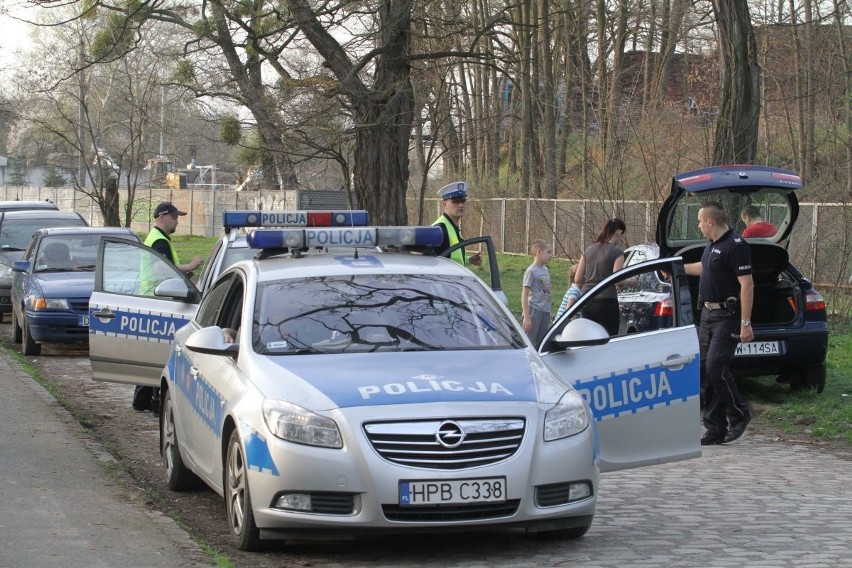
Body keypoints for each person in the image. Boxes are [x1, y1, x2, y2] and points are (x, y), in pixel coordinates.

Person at [684, 202, 754, 445]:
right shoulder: (712, 246)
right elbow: (703, 269)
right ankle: (714, 428)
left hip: (727, 316)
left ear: (710, 222)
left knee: (716, 367)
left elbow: (747, 284)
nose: (699, 226)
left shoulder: (735, 246)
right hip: (707, 315)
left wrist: (745, 323)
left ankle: (739, 413)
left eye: (700, 222)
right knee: (706, 371)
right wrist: (675, 269)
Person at [133, 201, 203, 414]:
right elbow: (161, 269)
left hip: (154, 298)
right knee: (160, 352)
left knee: (151, 351)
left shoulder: (157, 238)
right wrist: (190, 267)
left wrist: (182, 275)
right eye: (174, 218)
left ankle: (142, 399)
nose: (177, 222)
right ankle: (151, 401)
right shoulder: (159, 241)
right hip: (159, 299)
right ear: (162, 217)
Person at [573, 218, 627, 335]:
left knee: (589, 338)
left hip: (586, 300)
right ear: (618, 232)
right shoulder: (617, 252)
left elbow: (577, 279)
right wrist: (631, 280)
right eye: (621, 235)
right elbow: (617, 279)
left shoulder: (588, 250)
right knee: (608, 338)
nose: (620, 239)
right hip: (606, 302)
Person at [432, 181, 482, 267]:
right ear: (444, 204)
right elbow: (430, 261)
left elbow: (448, 257)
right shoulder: (440, 229)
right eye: (455, 201)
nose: (461, 205)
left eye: (463, 201)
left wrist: (468, 260)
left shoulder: (451, 226)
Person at [521, 240, 552, 345]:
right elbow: (524, 295)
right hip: (534, 311)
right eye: (548, 252)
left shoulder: (546, 270)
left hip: (545, 311)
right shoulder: (531, 271)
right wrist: (527, 317)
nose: (550, 255)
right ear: (539, 252)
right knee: (530, 343)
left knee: (541, 343)